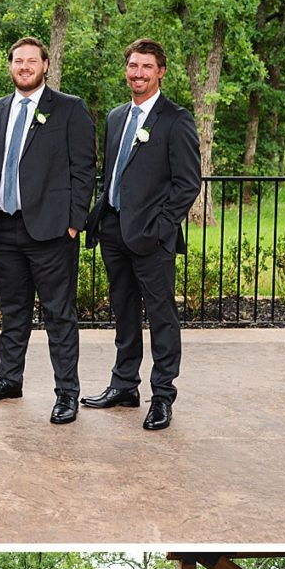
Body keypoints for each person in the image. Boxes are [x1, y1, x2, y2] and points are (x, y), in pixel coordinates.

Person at [0, 37, 96, 424]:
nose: (24, 66)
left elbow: (84, 168)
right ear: (9, 66)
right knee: (12, 312)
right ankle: (9, 378)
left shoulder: (69, 109)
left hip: (52, 232)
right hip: (2, 228)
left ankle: (67, 393)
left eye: (31, 60)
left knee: (59, 314)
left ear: (45, 65)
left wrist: (75, 222)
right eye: (17, 61)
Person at [82, 38, 202, 431]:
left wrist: (160, 228)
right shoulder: (117, 117)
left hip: (152, 238)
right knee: (124, 312)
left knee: (162, 316)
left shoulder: (175, 119)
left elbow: (187, 184)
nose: (138, 73)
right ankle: (124, 385)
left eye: (146, 67)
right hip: (114, 229)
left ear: (160, 71)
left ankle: (163, 395)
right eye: (133, 66)